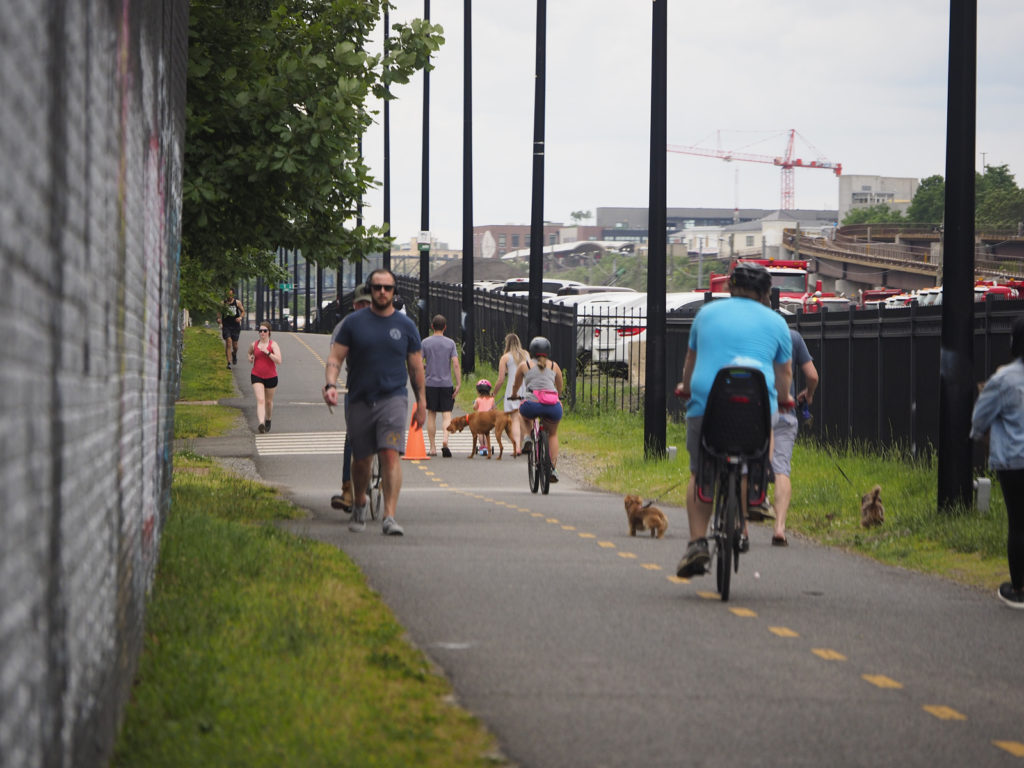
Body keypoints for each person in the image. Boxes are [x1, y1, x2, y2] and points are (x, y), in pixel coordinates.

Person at [673, 262, 793, 578]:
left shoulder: (706, 315)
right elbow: (785, 373)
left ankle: (697, 542)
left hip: (706, 404)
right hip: (754, 407)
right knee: (759, 437)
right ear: (767, 294)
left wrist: (686, 387)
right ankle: (757, 489)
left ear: (729, 287)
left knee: (700, 472)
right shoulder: (777, 323)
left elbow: (691, 359)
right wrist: (783, 398)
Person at [322, 268, 426, 536]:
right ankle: (358, 503)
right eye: (377, 287)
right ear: (370, 289)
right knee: (362, 460)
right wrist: (331, 384)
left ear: (394, 292)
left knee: (390, 455)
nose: (382, 292)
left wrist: (422, 402)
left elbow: (416, 369)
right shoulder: (353, 324)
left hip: (393, 398)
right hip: (359, 397)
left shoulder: (406, 327)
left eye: (387, 288)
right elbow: (335, 358)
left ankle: (389, 516)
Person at [971, 316, 1024, 608]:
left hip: (1014, 460)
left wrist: (979, 434)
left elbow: (981, 418)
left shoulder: (1003, 379)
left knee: (1018, 523)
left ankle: (1018, 589)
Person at [765, 328, 819, 546]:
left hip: (756, 409)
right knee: (781, 468)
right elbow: (812, 376)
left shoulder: (753, 332)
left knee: (747, 461)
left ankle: (743, 527)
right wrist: (810, 393)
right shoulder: (793, 337)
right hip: (786, 410)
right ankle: (779, 527)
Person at [330, 284, 372, 511]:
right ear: (354, 305)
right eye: (361, 304)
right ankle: (348, 489)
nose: (365, 307)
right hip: (356, 388)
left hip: (384, 389)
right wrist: (330, 384)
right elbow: (334, 359)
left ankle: (383, 475)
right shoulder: (345, 327)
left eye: (369, 303)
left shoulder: (386, 323)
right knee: (352, 437)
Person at [512, 336, 565, 483]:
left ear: (532, 351)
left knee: (521, 414)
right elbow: (559, 386)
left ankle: (528, 437)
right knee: (553, 434)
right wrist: (558, 397)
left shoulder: (525, 365)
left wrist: (514, 394)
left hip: (531, 405)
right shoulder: (555, 366)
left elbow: (516, 384)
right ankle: (552, 469)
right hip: (552, 406)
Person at [421, 314, 461, 457]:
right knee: (446, 415)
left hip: (430, 384)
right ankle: (445, 440)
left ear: (432, 326)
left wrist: (426, 367)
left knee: (431, 414)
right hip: (446, 384)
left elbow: (418, 363)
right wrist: (458, 383)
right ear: (445, 327)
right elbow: (455, 364)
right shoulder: (450, 343)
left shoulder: (425, 343)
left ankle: (432, 447)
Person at [494, 333, 529, 456]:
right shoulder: (526, 355)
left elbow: (501, 379)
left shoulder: (505, 358)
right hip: (525, 389)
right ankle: (526, 439)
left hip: (512, 391)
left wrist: (493, 393)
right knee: (524, 417)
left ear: (507, 343)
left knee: (514, 419)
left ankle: (517, 447)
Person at [248, 322, 282, 433]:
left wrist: (267, 352)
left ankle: (268, 419)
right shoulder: (254, 344)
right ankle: (261, 423)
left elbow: (279, 360)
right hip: (257, 375)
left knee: (268, 401)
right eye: (260, 331)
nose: (262, 333)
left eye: (265, 331)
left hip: (271, 376)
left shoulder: (273, 345)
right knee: (261, 400)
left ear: (269, 332)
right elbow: (249, 353)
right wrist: (251, 357)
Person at [218, 288, 245, 368]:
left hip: (235, 326)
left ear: (233, 294)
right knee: (228, 342)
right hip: (226, 326)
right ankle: (229, 363)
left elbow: (243, 311)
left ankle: (234, 354)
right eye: (227, 294)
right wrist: (219, 320)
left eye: (230, 294)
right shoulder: (223, 303)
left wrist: (240, 318)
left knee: (235, 345)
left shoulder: (237, 302)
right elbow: (219, 313)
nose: (229, 296)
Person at [473, 379, 495, 456]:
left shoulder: (478, 399)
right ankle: (487, 446)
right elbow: (494, 408)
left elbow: (475, 408)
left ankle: (482, 446)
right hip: (488, 418)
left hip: (480, 418)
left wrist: (474, 405)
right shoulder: (492, 399)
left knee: (480, 433)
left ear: (478, 391)